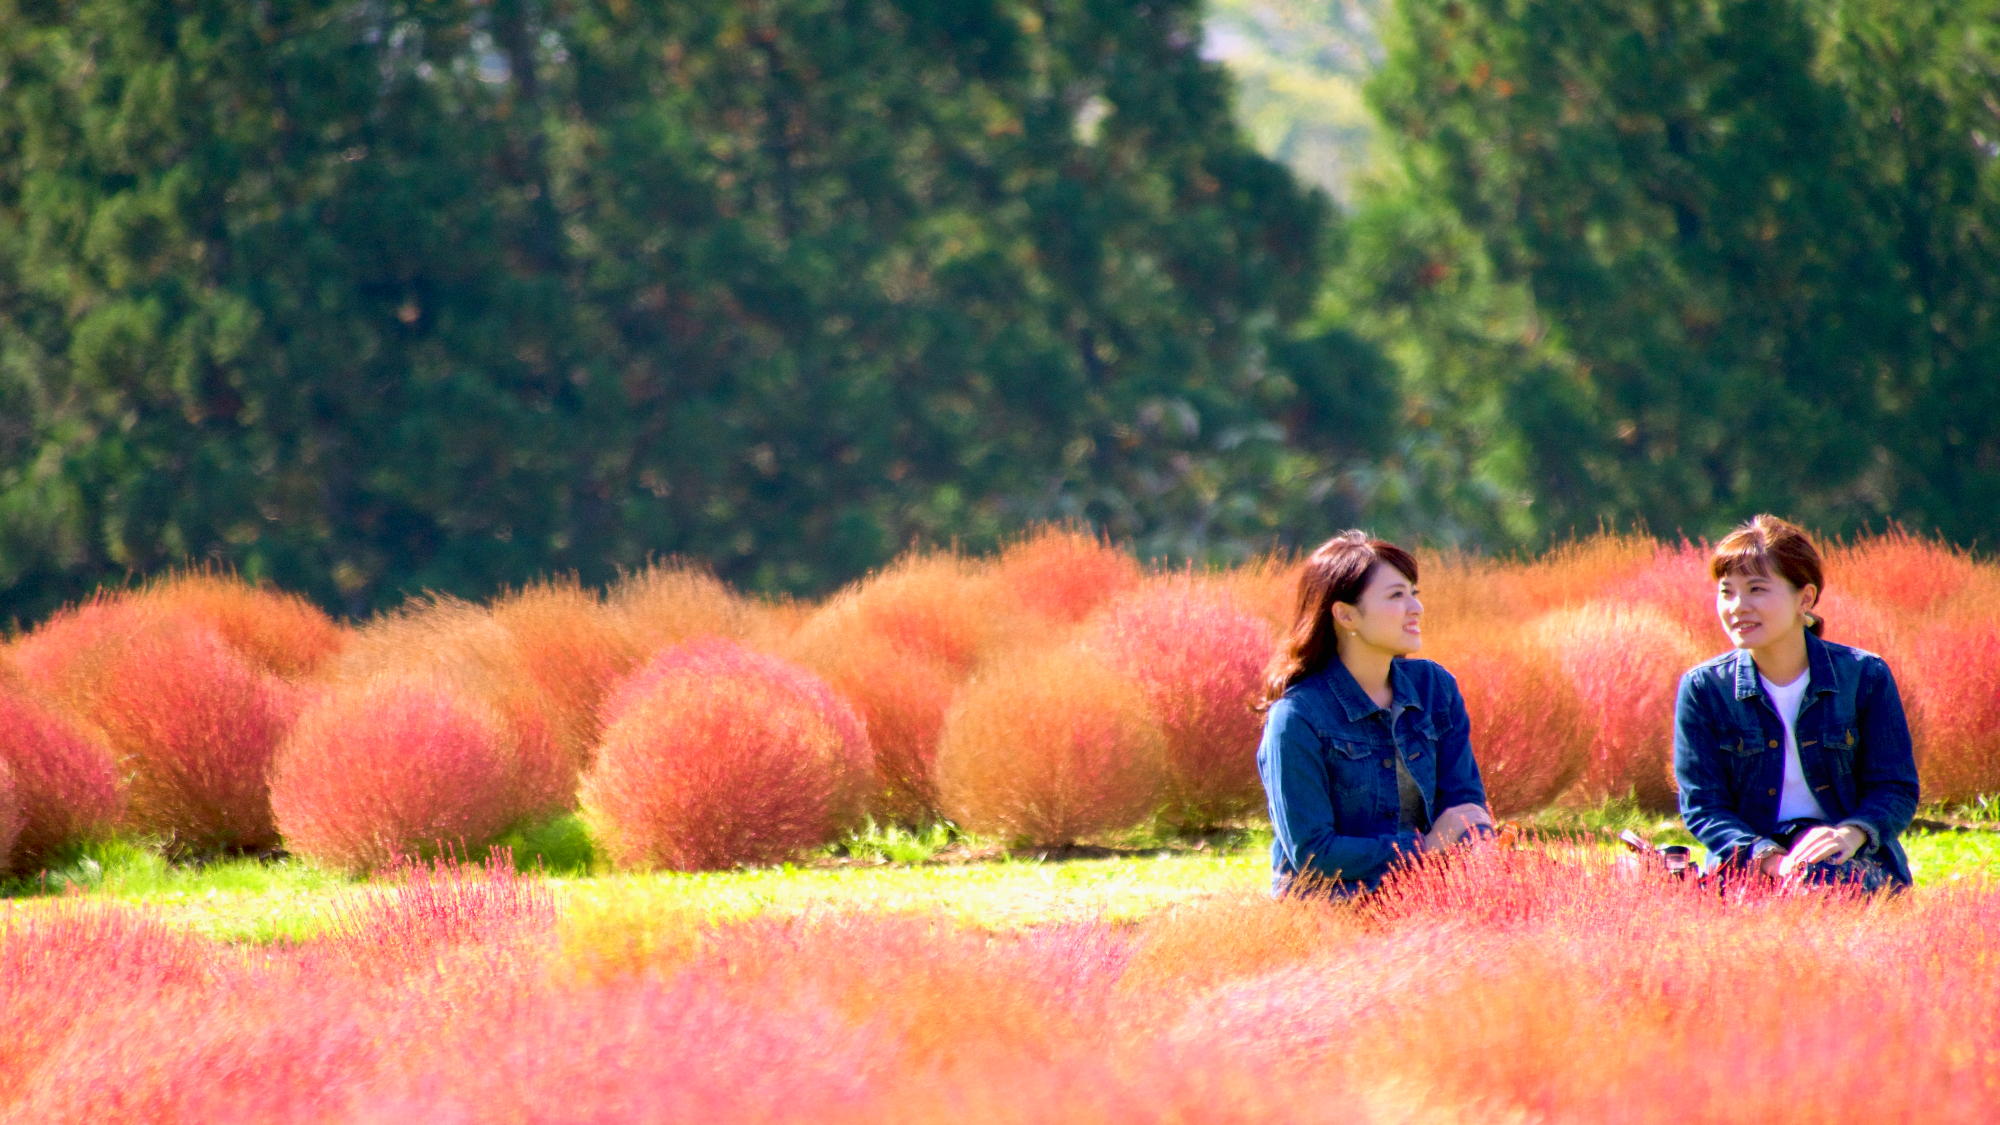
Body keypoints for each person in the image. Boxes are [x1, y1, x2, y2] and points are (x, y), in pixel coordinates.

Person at [1673, 515, 1919, 891]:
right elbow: (1704, 807)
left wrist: (1849, 836)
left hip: (1848, 860)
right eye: (1727, 591)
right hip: (1751, 863)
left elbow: (1895, 788)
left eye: (1756, 589)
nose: (1738, 606)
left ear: (1804, 597)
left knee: (1823, 892)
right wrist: (1773, 861)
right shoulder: (1704, 688)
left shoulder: (1864, 676)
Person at [1255, 531, 1493, 897]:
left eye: (1414, 593)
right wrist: (1427, 849)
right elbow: (1313, 854)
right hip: (1333, 913)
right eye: (1396, 595)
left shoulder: (1435, 689)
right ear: (1345, 614)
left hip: (1429, 901)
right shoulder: (1296, 718)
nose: (1416, 608)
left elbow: (1467, 810)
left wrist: (1476, 863)